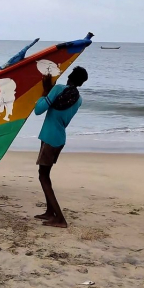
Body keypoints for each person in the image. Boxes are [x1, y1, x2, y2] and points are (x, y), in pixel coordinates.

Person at [33, 66, 88, 228]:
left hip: (49, 138)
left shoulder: (57, 89)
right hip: (59, 138)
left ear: (69, 76)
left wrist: (45, 91)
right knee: (45, 174)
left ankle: (60, 218)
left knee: (43, 177)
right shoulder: (78, 99)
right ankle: (50, 212)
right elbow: (60, 110)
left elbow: (38, 110)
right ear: (82, 83)